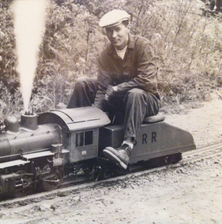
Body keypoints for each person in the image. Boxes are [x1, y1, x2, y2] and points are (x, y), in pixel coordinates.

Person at [67, 9, 161, 169]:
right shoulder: (106, 55)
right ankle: (73, 131)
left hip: (146, 100)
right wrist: (94, 113)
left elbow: (147, 81)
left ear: (127, 26)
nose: (113, 35)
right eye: (109, 31)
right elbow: (103, 88)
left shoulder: (143, 46)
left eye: (117, 29)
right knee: (83, 83)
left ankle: (126, 147)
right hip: (119, 102)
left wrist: (118, 88)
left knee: (135, 93)